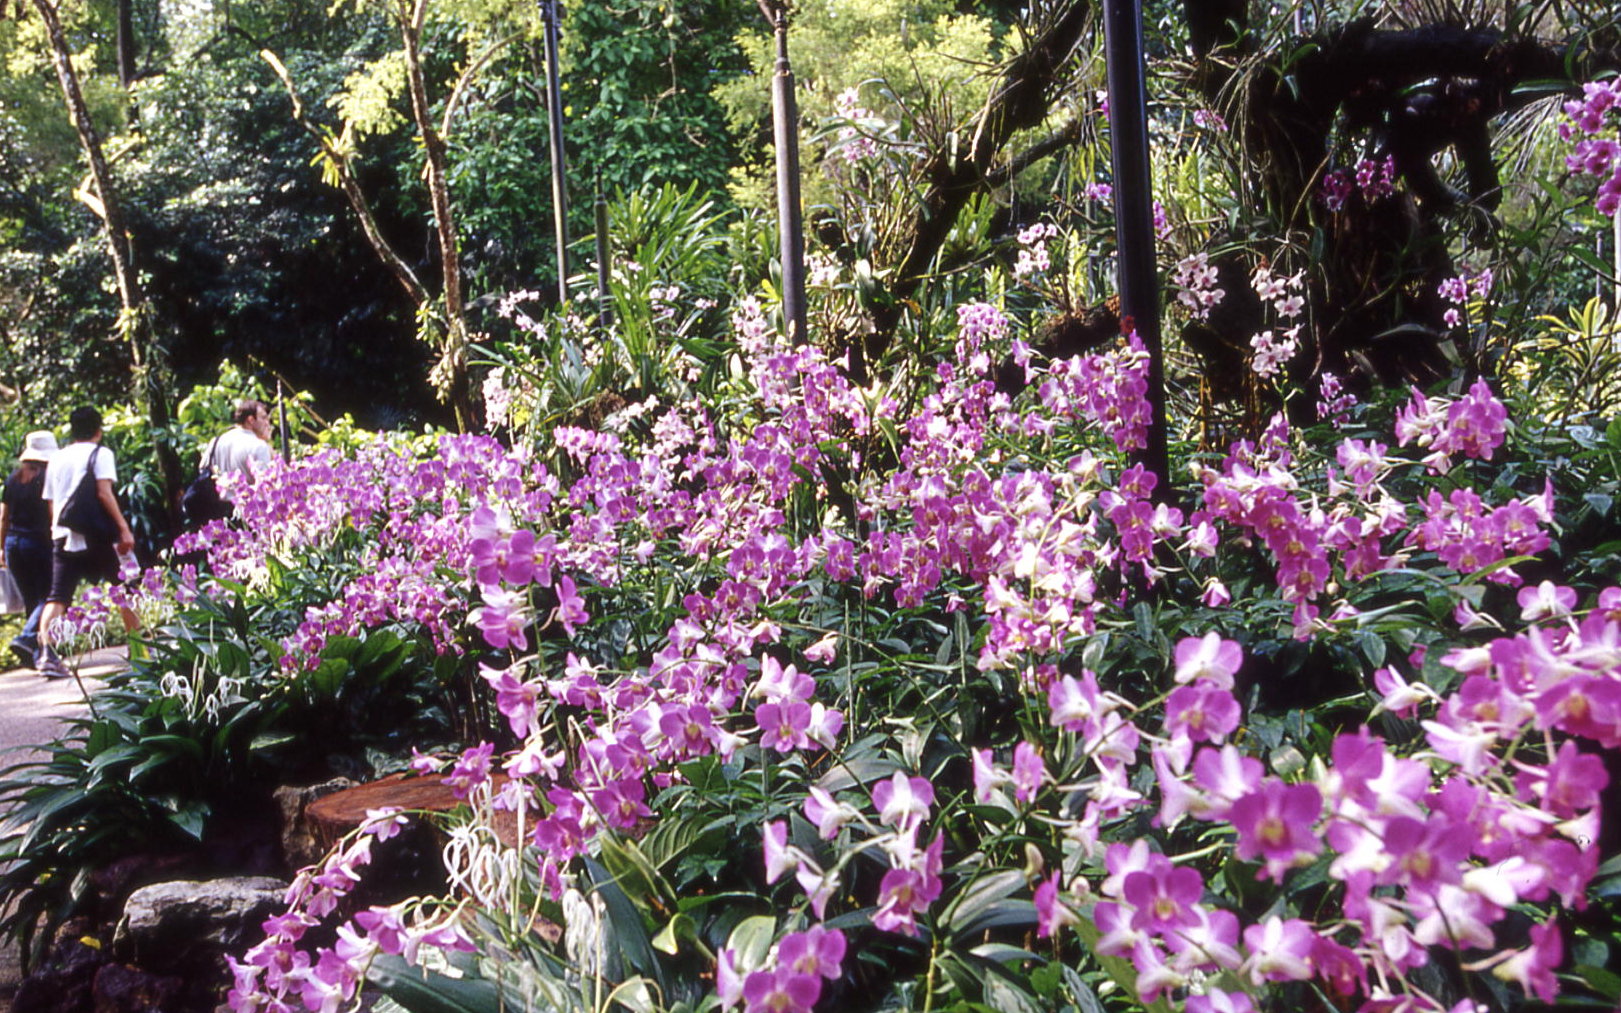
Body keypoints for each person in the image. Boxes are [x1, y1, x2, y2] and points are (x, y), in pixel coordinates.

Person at [39, 407, 137, 677]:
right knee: (124, 587)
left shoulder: (56, 458)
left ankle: (48, 654)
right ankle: (138, 648)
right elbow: (104, 493)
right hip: (96, 535)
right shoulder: (100, 453)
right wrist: (123, 528)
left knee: (58, 595)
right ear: (98, 430)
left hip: (62, 533)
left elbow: (51, 501)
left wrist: (56, 529)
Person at [0, 431, 59, 671]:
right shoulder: (48, 477)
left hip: (15, 544)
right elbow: (52, 511)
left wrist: (1, 547)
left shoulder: (14, 479)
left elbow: (3, 517)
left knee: (31, 601)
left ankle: (35, 653)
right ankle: (28, 639)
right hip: (39, 543)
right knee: (48, 597)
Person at [204, 398, 275, 481]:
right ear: (251, 420)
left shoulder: (215, 442)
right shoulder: (259, 446)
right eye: (264, 418)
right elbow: (266, 485)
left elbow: (202, 469)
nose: (268, 423)